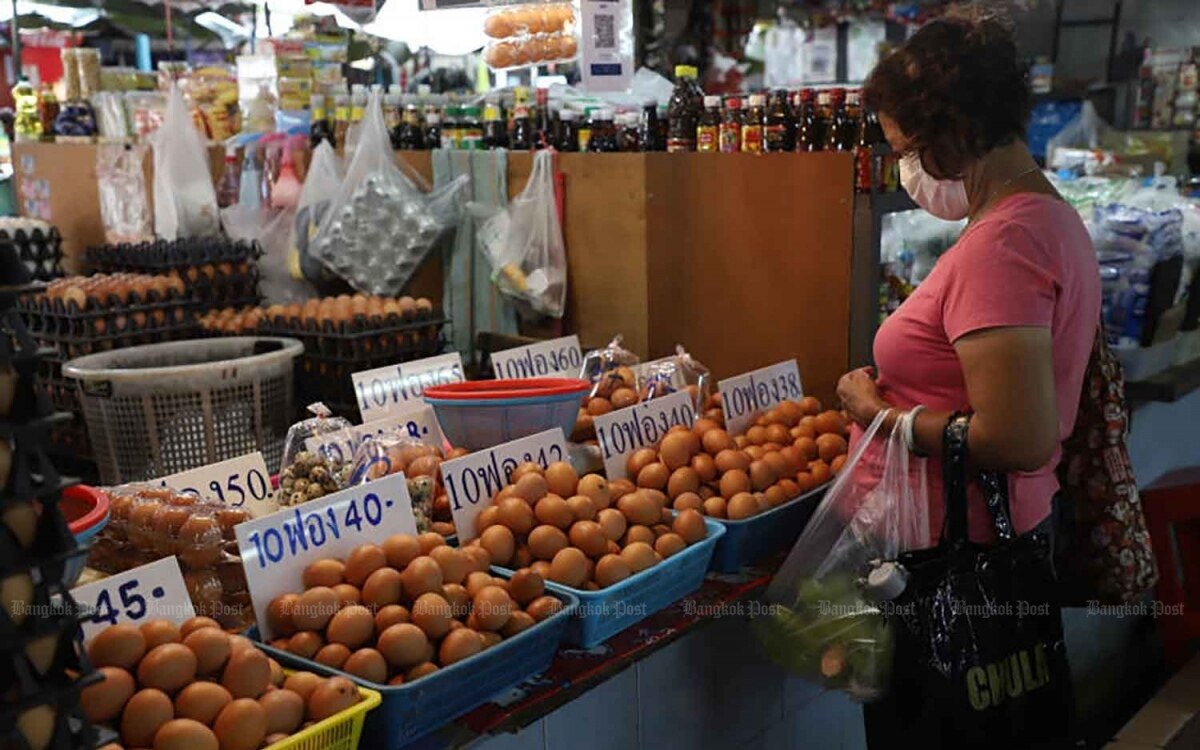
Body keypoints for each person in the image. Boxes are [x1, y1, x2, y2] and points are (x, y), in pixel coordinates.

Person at [835, 8, 1099, 747]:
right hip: (990, 539)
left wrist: (876, 413)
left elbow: (1015, 436)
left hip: (961, 560)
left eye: (906, 150)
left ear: (950, 136)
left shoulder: (1004, 245)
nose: (905, 172)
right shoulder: (1044, 219)